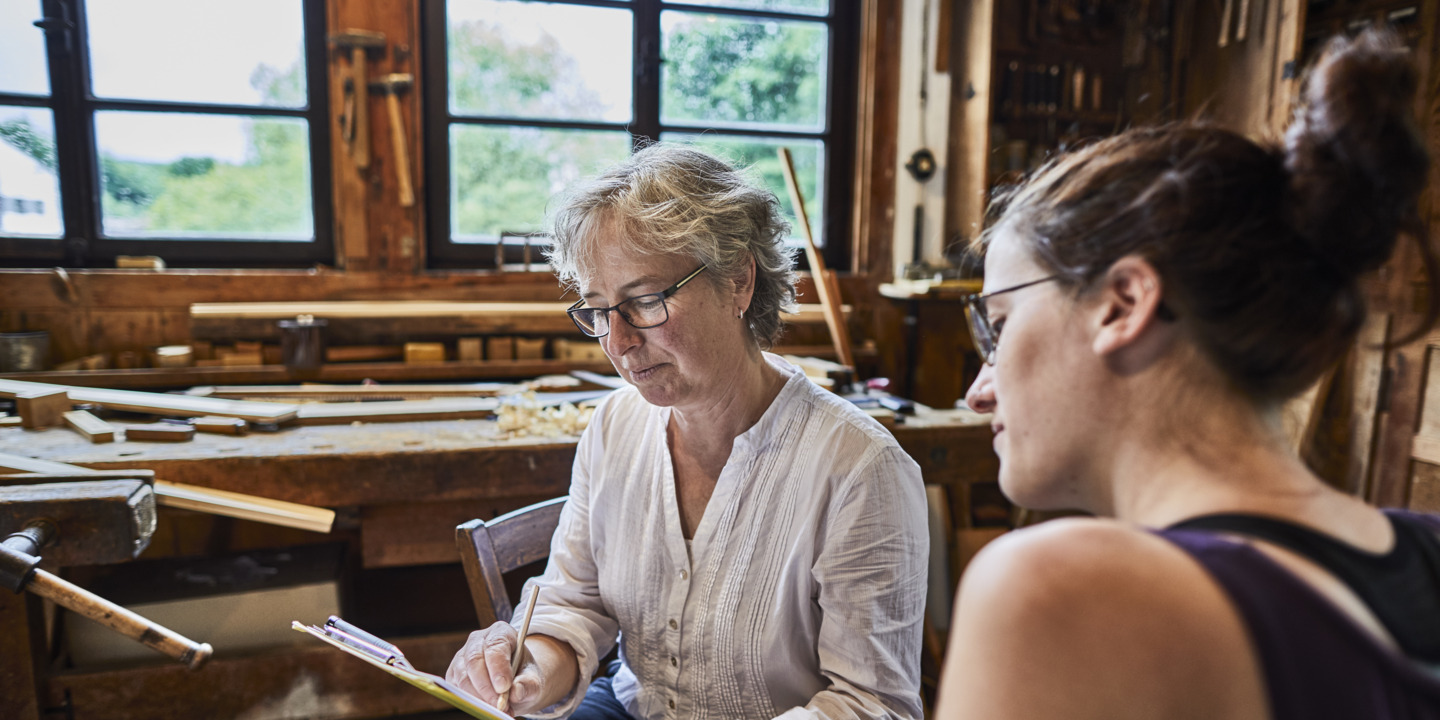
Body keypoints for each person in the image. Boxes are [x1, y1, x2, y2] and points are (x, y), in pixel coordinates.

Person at [935, 29, 1440, 720]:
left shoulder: (1057, 594)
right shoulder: (1428, 553)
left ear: (1123, 304)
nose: (977, 390)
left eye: (997, 325)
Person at [446, 144, 929, 720]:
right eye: (598, 311)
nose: (619, 343)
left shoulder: (859, 467)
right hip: (630, 706)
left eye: (646, 301)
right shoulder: (614, 426)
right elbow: (576, 602)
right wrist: (528, 671)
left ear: (738, 282)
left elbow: (874, 703)